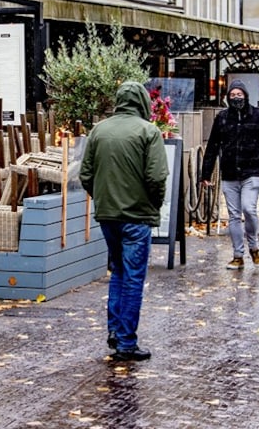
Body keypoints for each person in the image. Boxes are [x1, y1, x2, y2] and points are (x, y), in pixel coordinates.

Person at [80, 81, 169, 362]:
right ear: (143, 102)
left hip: (108, 215)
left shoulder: (99, 130)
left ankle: (116, 331)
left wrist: (102, 197)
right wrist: (152, 204)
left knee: (118, 271)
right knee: (132, 277)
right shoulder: (148, 131)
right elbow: (156, 177)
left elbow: (85, 174)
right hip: (136, 216)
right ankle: (126, 342)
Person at [200, 79, 259, 269]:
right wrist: (206, 173)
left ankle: (253, 245)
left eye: (239, 94)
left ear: (246, 95)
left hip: (252, 170)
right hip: (229, 173)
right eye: (233, 94)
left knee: (249, 209)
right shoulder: (222, 118)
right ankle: (238, 255)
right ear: (228, 97)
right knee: (234, 216)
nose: (236, 97)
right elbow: (212, 146)